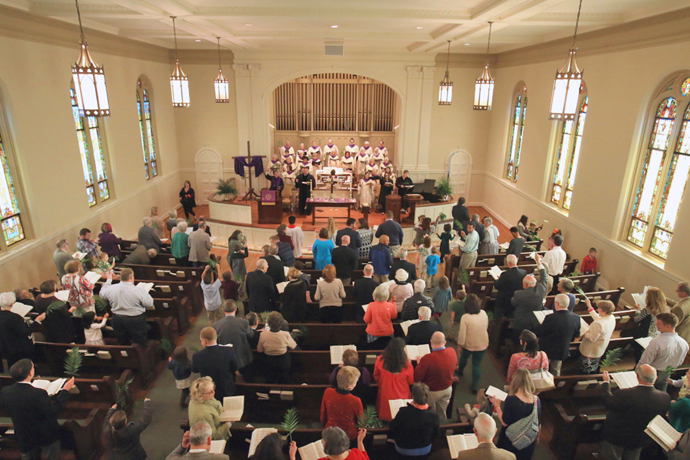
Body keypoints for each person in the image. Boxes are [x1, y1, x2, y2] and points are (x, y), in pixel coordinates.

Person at [0, 359, 75, 460]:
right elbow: (53, 411)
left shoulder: (5, 391)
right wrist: (65, 391)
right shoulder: (38, 393)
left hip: (24, 434)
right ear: (30, 372)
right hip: (45, 435)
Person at [599, 364, 670, 460]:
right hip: (639, 439)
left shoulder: (624, 394)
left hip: (616, 437)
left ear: (637, 376)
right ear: (656, 378)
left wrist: (606, 383)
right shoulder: (664, 397)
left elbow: (607, 402)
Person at [491, 368, 541, 460]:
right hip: (528, 441)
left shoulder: (511, 400)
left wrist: (497, 406)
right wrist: (536, 438)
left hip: (511, 441)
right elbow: (538, 422)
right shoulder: (536, 400)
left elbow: (505, 422)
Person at [100, 268, 152, 346]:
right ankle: (140, 356)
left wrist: (108, 281)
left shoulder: (111, 288)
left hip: (117, 319)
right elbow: (149, 303)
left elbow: (102, 294)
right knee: (140, 342)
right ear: (131, 277)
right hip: (134, 319)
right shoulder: (138, 290)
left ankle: (127, 357)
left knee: (122, 342)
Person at [638, 313, 689, 390]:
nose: (655, 324)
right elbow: (680, 362)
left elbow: (644, 362)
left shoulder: (656, 342)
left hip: (652, 373)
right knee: (661, 392)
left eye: (659, 323)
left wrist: (637, 372)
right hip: (668, 373)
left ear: (668, 326)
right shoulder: (684, 343)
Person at [536, 293, 582, 376]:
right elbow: (576, 334)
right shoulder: (576, 318)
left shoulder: (551, 317)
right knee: (556, 370)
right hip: (562, 349)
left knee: (542, 369)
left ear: (556, 304)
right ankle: (554, 384)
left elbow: (541, 332)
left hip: (547, 349)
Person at [390, 382, 439, 457]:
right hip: (424, 448)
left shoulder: (403, 412)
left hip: (403, 448)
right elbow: (436, 435)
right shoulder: (433, 416)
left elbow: (393, 428)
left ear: (413, 396)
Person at [414, 332, 457, 418]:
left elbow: (417, 377)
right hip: (447, 388)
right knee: (441, 411)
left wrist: (419, 364)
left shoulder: (427, 359)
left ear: (431, 342)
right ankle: (441, 427)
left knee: (429, 413)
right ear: (444, 342)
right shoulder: (452, 351)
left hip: (432, 391)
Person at [191, 328, 238, 401]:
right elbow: (235, 368)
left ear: (204, 342)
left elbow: (195, 369)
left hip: (207, 392)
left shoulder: (197, 356)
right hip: (226, 388)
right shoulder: (229, 351)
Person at [373, 338, 414, 422]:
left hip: (385, 393)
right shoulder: (407, 365)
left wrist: (381, 383)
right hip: (402, 395)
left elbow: (376, 376)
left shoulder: (379, 360)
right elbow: (411, 381)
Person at [510, 253, 548, 341]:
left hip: (521, 324)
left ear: (525, 284)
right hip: (535, 323)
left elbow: (513, 303)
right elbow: (544, 276)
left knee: (517, 341)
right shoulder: (541, 288)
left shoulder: (519, 294)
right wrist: (538, 262)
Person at [0, 293, 44, 366]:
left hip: (4, 348)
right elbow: (25, 332)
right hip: (17, 349)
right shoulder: (15, 318)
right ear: (12, 304)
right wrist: (37, 321)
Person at [320, 366, 364, 441]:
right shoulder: (355, 400)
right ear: (349, 387)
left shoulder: (327, 392)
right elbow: (361, 422)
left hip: (330, 432)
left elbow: (323, 416)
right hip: (348, 436)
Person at [457, 294, 489, 393]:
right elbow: (486, 326)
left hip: (469, 344)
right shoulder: (483, 313)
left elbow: (462, 333)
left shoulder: (465, 317)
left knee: (463, 358)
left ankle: (460, 370)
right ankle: (475, 387)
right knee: (476, 365)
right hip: (482, 342)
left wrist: (459, 344)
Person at [213, 300, 254, 373]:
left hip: (225, 358)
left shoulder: (216, 325)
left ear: (223, 310)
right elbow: (251, 335)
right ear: (235, 309)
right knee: (247, 375)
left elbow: (215, 342)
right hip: (242, 356)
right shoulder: (243, 322)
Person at [578, 298, 617, 374]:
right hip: (598, 349)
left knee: (585, 370)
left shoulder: (599, 324)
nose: (597, 309)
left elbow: (592, 338)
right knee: (592, 368)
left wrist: (584, 330)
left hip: (589, 351)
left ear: (604, 311)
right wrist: (589, 306)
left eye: (599, 308)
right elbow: (597, 318)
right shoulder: (611, 317)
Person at [257, 311, 297, 383]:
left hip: (268, 362)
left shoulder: (263, 334)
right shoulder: (285, 334)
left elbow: (259, 350)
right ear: (281, 323)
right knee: (284, 379)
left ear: (268, 323)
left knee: (270, 380)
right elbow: (293, 346)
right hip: (283, 362)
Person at [494, 255, 526, 320]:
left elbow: (497, 286)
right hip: (517, 299)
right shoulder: (523, 272)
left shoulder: (505, 274)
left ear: (508, 263)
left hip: (505, 300)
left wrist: (497, 280)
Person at [670, 282, 690, 348]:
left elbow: (671, 325)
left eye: (677, 291)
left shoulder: (679, 308)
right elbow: (677, 304)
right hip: (686, 337)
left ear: (684, 293)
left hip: (676, 339)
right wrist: (663, 299)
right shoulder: (686, 302)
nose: (676, 292)